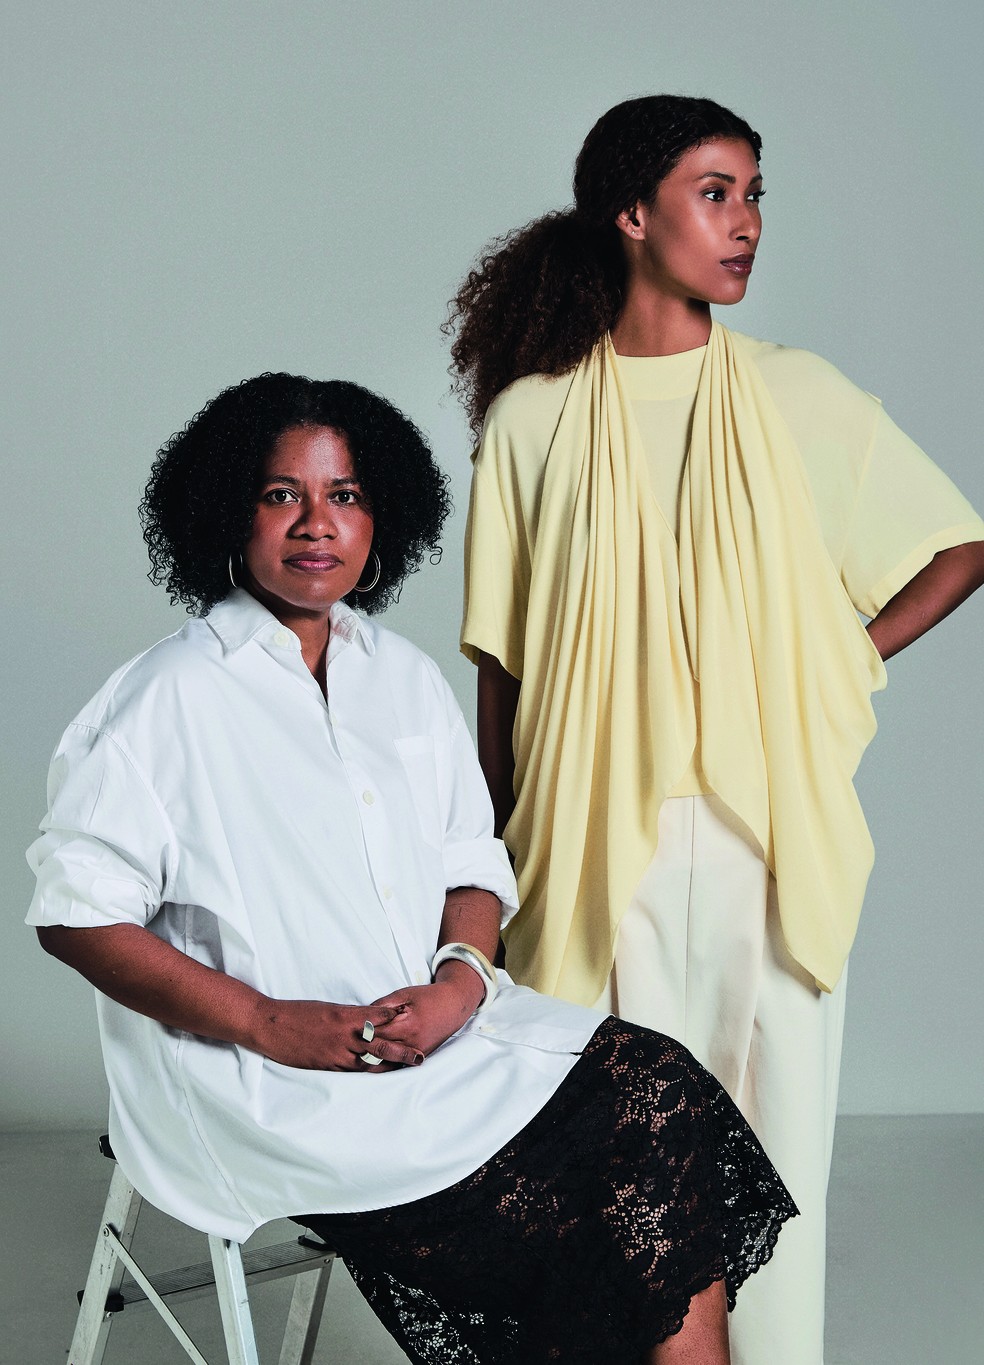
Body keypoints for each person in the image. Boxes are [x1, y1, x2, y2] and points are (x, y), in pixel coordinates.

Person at [27, 373, 796, 1365]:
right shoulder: (162, 700)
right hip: (262, 1077)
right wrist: (270, 1021)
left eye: (344, 494)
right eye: (281, 493)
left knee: (662, 1093)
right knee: (576, 1202)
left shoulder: (404, 678)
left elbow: (469, 861)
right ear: (228, 511)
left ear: (379, 515)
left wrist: (460, 981)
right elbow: (76, 914)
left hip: (437, 1032)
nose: (317, 523)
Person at [449, 95, 984, 1365]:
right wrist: (486, 855)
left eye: (754, 196)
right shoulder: (531, 418)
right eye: (714, 193)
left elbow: (955, 544)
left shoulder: (796, 394)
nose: (745, 223)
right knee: (603, 1163)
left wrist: (830, 661)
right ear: (631, 215)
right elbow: (505, 669)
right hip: (591, 847)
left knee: (772, 1151)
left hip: (765, 843)